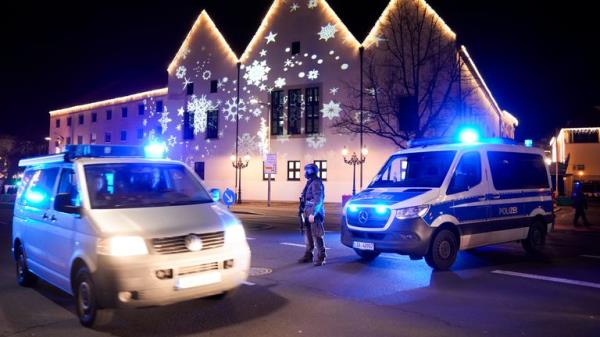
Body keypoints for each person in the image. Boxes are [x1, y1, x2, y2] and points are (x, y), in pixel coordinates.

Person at [298, 163, 326, 266]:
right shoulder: (310, 182)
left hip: (314, 213)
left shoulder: (316, 183)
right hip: (307, 212)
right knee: (308, 234)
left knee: (317, 235)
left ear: (312, 171)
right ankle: (308, 255)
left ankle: (321, 256)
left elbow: (318, 200)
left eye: (307, 170)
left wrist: (313, 214)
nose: (305, 173)